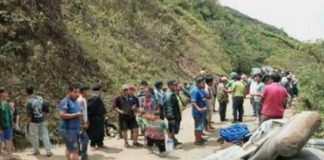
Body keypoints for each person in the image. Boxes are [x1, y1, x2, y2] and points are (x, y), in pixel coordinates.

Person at [25, 85, 53, 157]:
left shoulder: (29, 102)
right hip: (42, 119)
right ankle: (48, 151)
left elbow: (29, 116)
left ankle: (36, 150)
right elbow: (46, 108)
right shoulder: (40, 98)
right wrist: (45, 118)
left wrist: (28, 124)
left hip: (33, 122)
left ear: (26, 92)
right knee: (45, 135)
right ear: (33, 91)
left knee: (34, 136)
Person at [59, 84, 83, 160]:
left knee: (69, 149)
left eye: (78, 92)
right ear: (69, 92)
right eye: (75, 92)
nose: (77, 94)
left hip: (74, 129)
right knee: (74, 151)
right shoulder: (65, 101)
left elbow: (77, 114)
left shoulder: (75, 101)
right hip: (68, 130)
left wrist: (80, 123)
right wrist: (76, 114)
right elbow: (62, 115)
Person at [0, 87, 18, 160]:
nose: (6, 94)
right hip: (1, 126)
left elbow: (11, 114)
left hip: (8, 125)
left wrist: (12, 123)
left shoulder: (8, 103)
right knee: (0, 142)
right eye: (5, 92)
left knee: (9, 140)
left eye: (7, 92)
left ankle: (10, 155)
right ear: (0, 93)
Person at [87, 83, 107, 149]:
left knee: (100, 131)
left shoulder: (96, 97)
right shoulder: (95, 97)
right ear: (99, 90)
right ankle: (92, 144)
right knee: (95, 131)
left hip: (99, 117)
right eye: (101, 90)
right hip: (95, 117)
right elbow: (91, 108)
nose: (102, 91)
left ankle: (100, 143)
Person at [165, 80, 182, 147]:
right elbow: (169, 107)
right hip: (172, 116)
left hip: (175, 114)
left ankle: (174, 140)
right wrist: (171, 118)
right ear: (170, 86)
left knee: (173, 129)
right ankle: (172, 144)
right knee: (172, 129)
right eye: (175, 85)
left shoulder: (173, 93)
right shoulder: (170, 95)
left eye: (176, 85)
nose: (176, 86)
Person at [191, 77, 208, 145]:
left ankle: (200, 138)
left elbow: (206, 97)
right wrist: (199, 109)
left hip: (202, 112)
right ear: (198, 83)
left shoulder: (201, 90)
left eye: (204, 83)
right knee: (198, 127)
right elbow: (193, 102)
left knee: (201, 126)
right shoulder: (195, 91)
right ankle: (197, 141)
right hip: (197, 113)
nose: (204, 84)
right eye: (202, 83)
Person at [77, 84, 91, 160]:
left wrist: (86, 120)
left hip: (80, 122)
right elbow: (80, 113)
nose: (89, 92)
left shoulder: (82, 99)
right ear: (84, 91)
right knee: (85, 139)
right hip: (80, 123)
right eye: (88, 91)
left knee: (80, 139)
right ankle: (84, 156)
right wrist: (83, 123)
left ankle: (79, 152)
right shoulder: (81, 100)